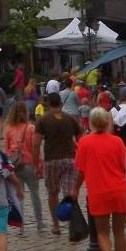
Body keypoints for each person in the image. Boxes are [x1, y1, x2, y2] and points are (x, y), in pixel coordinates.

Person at [72, 106, 126, 251]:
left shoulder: (84, 142)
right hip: (118, 190)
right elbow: (125, 167)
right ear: (107, 122)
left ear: (91, 122)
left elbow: (81, 171)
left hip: (98, 192)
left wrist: (75, 189)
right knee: (119, 232)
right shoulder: (117, 141)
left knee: (102, 232)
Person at [32, 92, 82, 236]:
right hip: (69, 160)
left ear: (48, 104)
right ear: (61, 103)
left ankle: (56, 225)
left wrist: (37, 164)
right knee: (69, 192)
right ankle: (72, 224)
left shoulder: (43, 120)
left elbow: (36, 144)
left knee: (53, 193)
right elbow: (81, 140)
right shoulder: (70, 119)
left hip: (51, 161)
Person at [4, 101, 44, 234]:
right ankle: (39, 223)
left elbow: (6, 151)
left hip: (15, 166)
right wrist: (39, 165)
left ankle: (21, 225)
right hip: (29, 165)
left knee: (18, 195)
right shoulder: (31, 128)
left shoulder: (9, 129)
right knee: (35, 194)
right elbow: (35, 148)